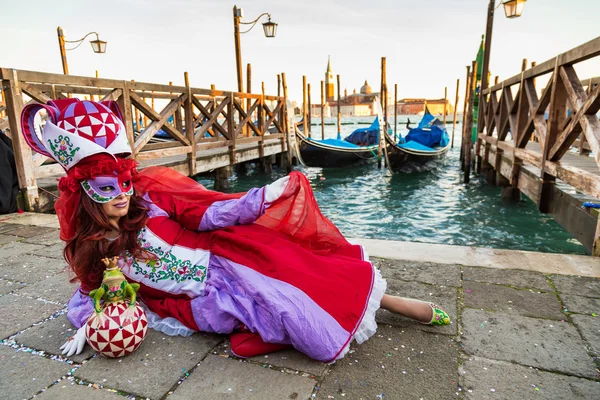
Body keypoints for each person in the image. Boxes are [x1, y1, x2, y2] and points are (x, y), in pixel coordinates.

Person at [20, 98, 450, 362]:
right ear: (83, 192)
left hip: (230, 262)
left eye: (124, 182)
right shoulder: (95, 249)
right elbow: (91, 292)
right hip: (203, 303)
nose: (120, 195)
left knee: (315, 283)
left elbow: (209, 212)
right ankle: (284, 326)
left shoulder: (150, 198)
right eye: (106, 187)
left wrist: (262, 197)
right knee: (256, 343)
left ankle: (391, 301)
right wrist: (89, 325)